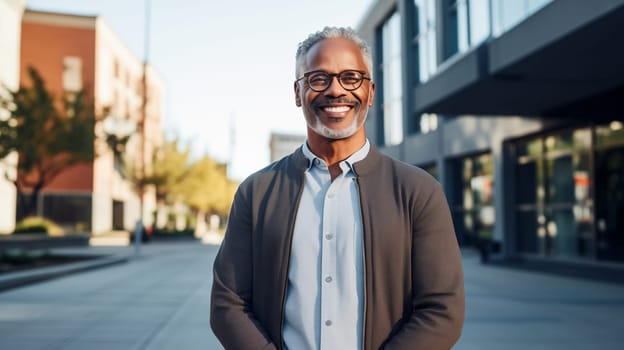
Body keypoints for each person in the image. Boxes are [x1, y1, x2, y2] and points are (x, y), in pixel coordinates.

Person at [210, 26, 464, 350]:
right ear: (298, 92)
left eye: (351, 78)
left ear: (370, 92)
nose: (335, 90)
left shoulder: (419, 192)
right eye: (318, 78)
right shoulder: (256, 193)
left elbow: (442, 309)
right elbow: (227, 304)